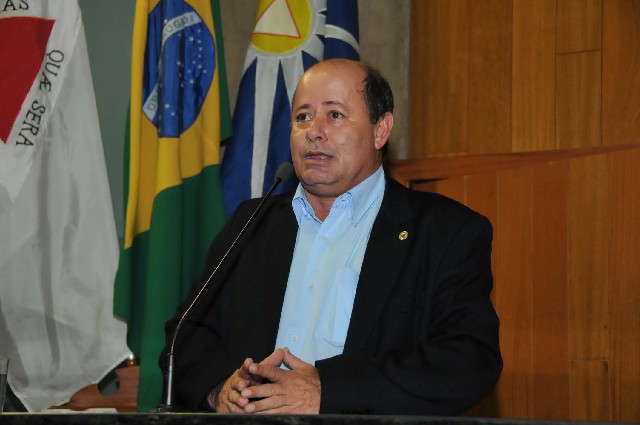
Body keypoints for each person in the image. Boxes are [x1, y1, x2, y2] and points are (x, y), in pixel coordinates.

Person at [161, 59, 502, 415]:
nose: (314, 131)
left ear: (381, 130)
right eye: (302, 117)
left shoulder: (445, 232)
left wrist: (328, 390)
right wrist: (220, 389)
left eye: (335, 115)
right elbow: (185, 334)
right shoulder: (253, 222)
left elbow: (468, 361)